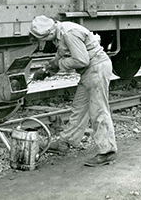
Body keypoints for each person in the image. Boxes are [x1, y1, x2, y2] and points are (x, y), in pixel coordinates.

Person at [29, 15, 118, 166]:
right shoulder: (60, 32)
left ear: (49, 34)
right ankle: (65, 142)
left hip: (96, 69)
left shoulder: (69, 34)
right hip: (89, 72)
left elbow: (81, 60)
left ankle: (107, 152)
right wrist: (46, 70)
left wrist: (58, 64)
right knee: (79, 108)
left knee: (98, 111)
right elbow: (61, 56)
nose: (44, 43)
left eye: (42, 39)